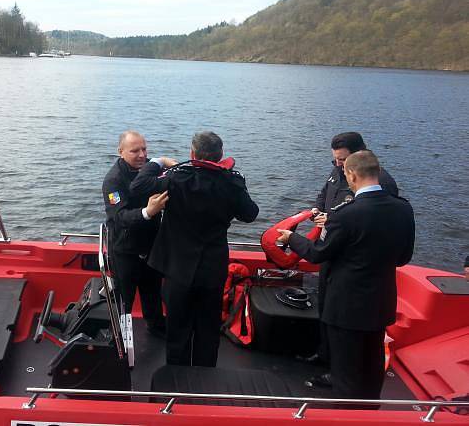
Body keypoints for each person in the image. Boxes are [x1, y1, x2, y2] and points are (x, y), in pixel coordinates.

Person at [278, 150, 415, 401]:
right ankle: (370, 412)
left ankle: (346, 413)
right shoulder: (403, 210)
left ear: (351, 175)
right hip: (380, 302)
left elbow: (318, 253)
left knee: (345, 373)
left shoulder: (345, 215)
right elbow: (403, 258)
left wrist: (292, 238)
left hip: (346, 306)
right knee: (371, 367)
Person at [131, 131, 259, 366]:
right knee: (208, 330)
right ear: (220, 156)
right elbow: (250, 214)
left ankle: (177, 381)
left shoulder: (176, 179)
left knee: (177, 329)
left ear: (192, 154)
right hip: (212, 268)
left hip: (177, 268)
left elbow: (138, 185)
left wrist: (157, 161)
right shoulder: (232, 182)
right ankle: (204, 382)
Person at [306, 132, 399, 385]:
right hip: (333, 249)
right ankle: (326, 355)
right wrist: (318, 210)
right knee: (326, 306)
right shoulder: (337, 171)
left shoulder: (383, 185)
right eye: (335, 160)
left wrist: (335, 222)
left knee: (349, 325)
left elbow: (374, 227)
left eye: (343, 161)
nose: (338, 165)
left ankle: (341, 375)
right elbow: (324, 193)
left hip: (354, 263)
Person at [102, 131, 167, 336]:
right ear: (121, 152)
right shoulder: (113, 181)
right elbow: (119, 217)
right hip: (125, 249)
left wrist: (164, 162)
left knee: (153, 291)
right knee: (124, 297)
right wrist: (148, 212)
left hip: (151, 245)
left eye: (144, 149)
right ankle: (119, 336)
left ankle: (156, 327)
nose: (141, 155)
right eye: (135, 151)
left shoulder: (151, 169)